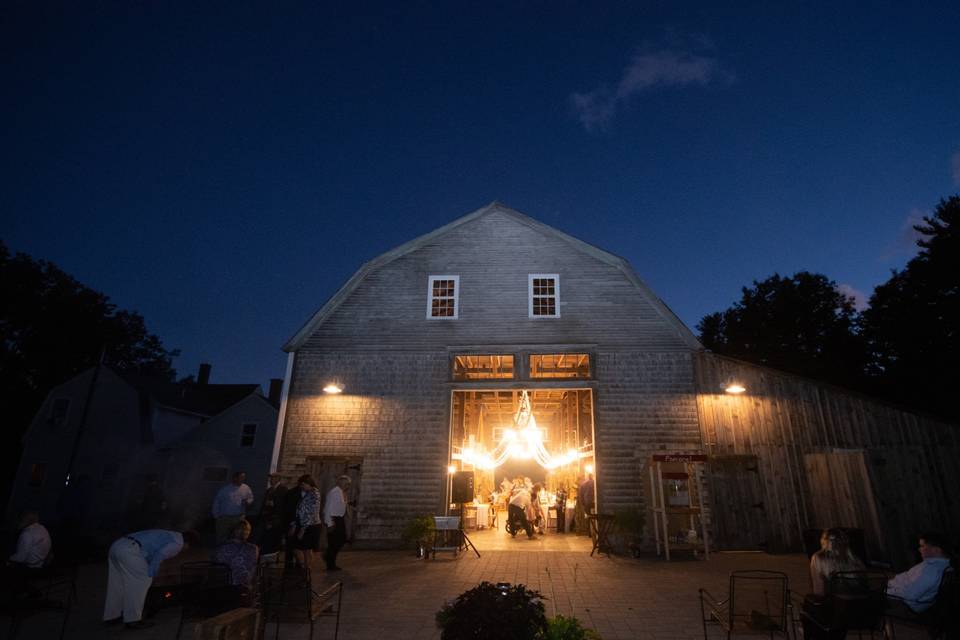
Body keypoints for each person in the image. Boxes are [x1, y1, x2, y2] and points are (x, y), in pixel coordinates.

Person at [103, 529, 201, 630]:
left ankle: (112, 616)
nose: (185, 550)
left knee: (118, 583)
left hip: (117, 546)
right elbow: (159, 555)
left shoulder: (171, 534)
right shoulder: (178, 543)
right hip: (129, 551)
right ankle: (133, 620)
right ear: (188, 544)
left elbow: (150, 553)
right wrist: (152, 573)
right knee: (141, 582)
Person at [801, 528, 866, 639]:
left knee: (811, 603)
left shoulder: (818, 558)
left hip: (836, 614)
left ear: (823, 541)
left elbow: (819, 592)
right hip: (862, 613)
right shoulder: (856, 560)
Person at [887, 532, 952, 613]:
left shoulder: (932, 571)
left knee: (870, 599)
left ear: (936, 550)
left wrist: (887, 590)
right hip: (898, 588)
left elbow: (909, 595)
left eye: (922, 546)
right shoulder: (932, 563)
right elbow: (907, 578)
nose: (919, 549)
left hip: (905, 603)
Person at [212, 519, 259, 605]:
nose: (245, 532)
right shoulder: (253, 548)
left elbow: (215, 568)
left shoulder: (220, 548)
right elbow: (252, 571)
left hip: (223, 587)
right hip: (243, 588)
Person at [290, 474, 322, 571]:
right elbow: (300, 510)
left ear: (308, 483)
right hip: (303, 524)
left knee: (306, 549)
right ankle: (304, 567)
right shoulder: (308, 493)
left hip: (310, 525)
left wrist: (303, 529)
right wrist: (294, 524)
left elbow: (311, 513)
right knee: (299, 548)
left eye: (303, 485)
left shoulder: (314, 494)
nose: (301, 487)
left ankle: (306, 569)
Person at [212, 471, 254, 543]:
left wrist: (248, 502)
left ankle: (234, 552)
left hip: (239, 518)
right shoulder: (225, 489)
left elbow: (251, 498)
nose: (243, 479)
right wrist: (216, 515)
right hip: (225, 518)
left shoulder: (246, 488)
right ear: (235, 478)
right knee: (222, 538)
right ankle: (221, 552)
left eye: (244, 477)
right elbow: (217, 502)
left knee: (237, 538)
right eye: (241, 477)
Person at [322, 475, 352, 571]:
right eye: (346, 484)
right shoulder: (334, 492)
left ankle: (328, 557)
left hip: (340, 519)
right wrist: (329, 522)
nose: (348, 486)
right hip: (333, 518)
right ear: (341, 483)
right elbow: (327, 508)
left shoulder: (342, 493)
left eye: (348, 484)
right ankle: (330, 564)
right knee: (333, 542)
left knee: (341, 539)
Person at [258, 473, 288, 555]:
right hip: (266, 519)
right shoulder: (269, 490)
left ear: (278, 478)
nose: (271, 479)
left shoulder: (283, 489)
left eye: (273, 478)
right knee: (266, 540)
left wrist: (273, 504)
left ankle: (271, 560)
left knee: (273, 541)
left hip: (275, 520)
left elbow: (283, 507)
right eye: (270, 478)